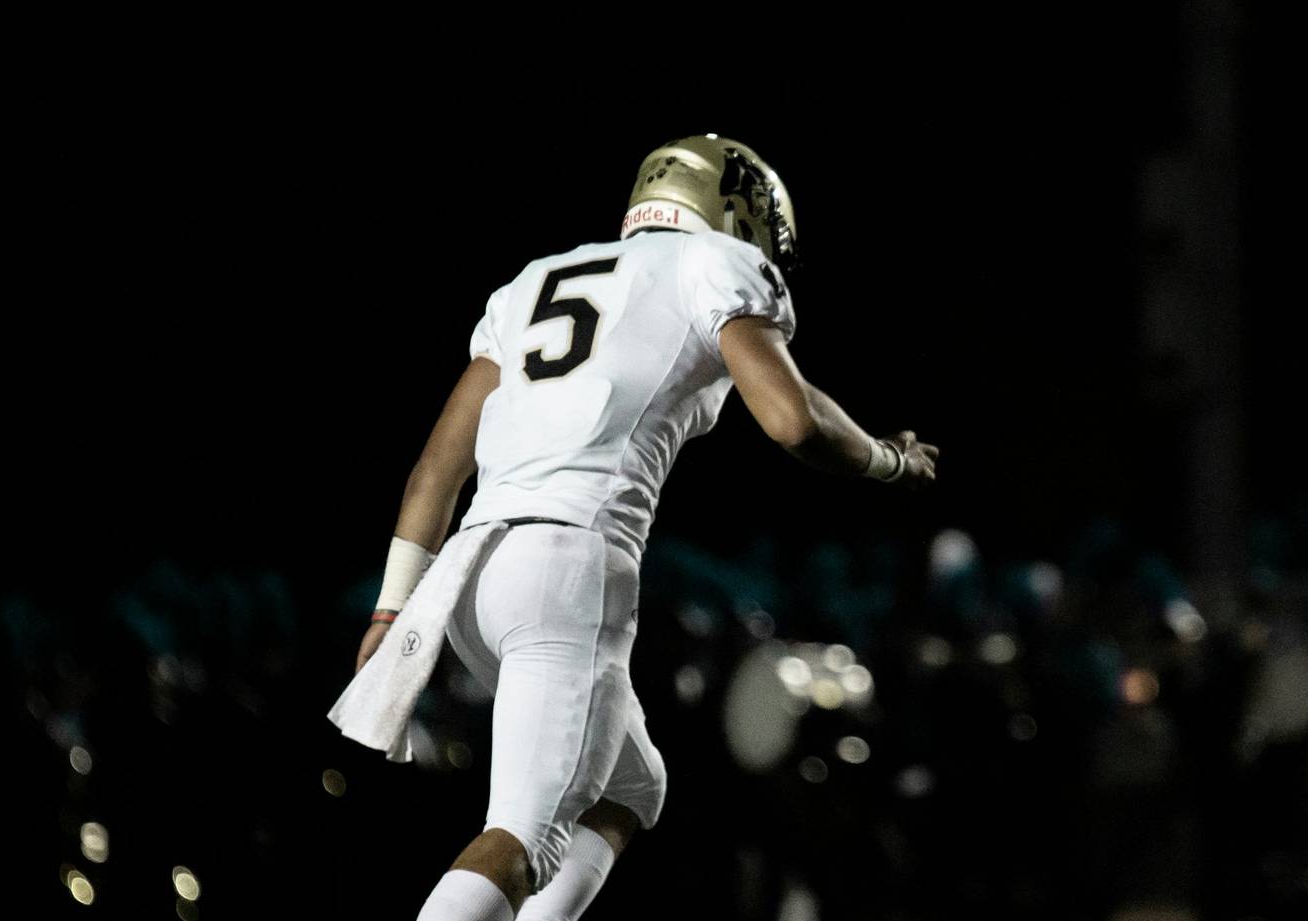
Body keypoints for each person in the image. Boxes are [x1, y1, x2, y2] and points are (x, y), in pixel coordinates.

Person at [333, 135, 940, 921]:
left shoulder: (532, 281)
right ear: (735, 212)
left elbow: (435, 472)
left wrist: (392, 608)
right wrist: (887, 459)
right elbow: (793, 419)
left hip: (470, 579)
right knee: (520, 836)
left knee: (632, 786)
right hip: (568, 565)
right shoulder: (712, 261)